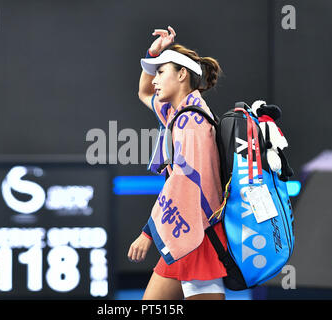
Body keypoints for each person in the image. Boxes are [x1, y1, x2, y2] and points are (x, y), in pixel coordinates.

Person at [127, 26, 228, 300]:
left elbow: (183, 184)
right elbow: (143, 91)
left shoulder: (191, 122)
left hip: (196, 233)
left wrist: (147, 234)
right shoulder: (177, 113)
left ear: (182, 74)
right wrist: (154, 52)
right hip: (186, 230)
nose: (155, 80)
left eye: (161, 72)